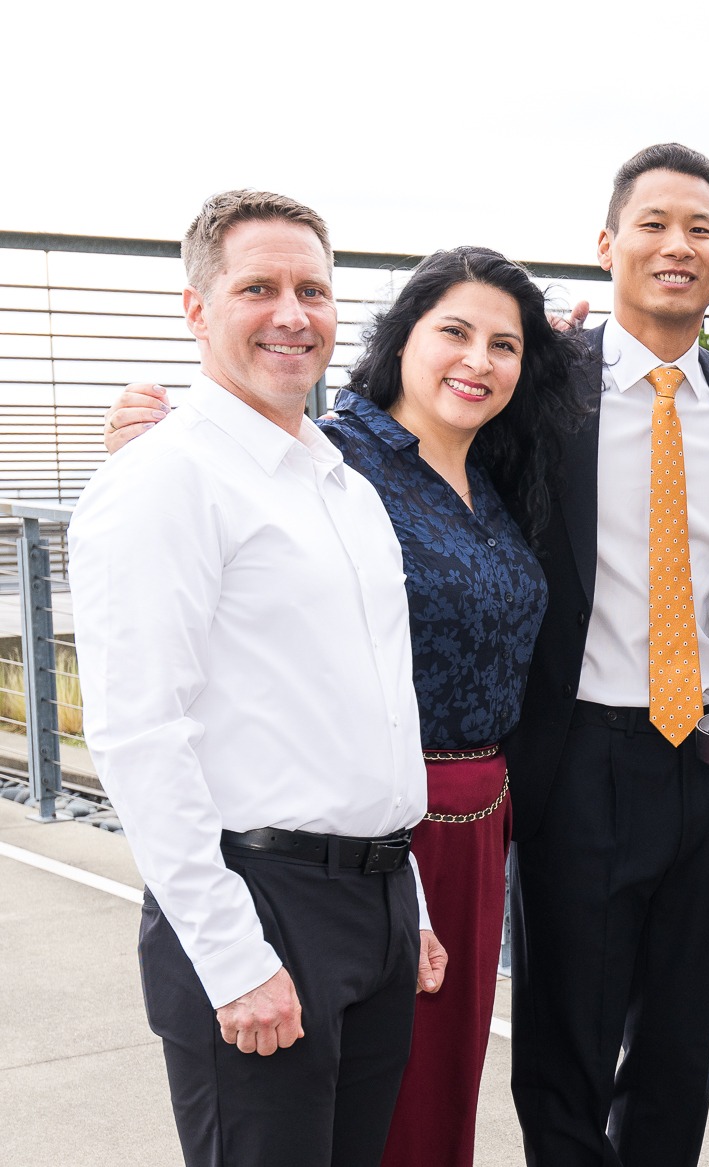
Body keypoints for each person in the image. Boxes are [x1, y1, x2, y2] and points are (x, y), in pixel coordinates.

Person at [104, 245, 584, 1166]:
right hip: (318, 846)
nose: (478, 359)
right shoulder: (339, 457)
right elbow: (144, 718)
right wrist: (152, 435)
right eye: (453, 331)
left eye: (504, 344)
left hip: (445, 829)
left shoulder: (500, 479)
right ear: (400, 335)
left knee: (431, 1096)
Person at [70, 189, 447, 1167]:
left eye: (313, 290)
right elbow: (138, 732)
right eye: (259, 288)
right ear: (198, 310)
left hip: (371, 903)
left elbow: (360, 707)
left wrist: (407, 900)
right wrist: (234, 963)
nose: (293, 314)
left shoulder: (341, 484)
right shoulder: (164, 481)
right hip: (259, 901)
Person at [504, 142, 709, 1166]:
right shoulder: (538, 386)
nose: (677, 246)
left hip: (706, 754)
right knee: (567, 1036)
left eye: (700, 228)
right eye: (654, 225)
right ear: (608, 245)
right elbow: (402, 426)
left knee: (677, 1041)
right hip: (578, 750)